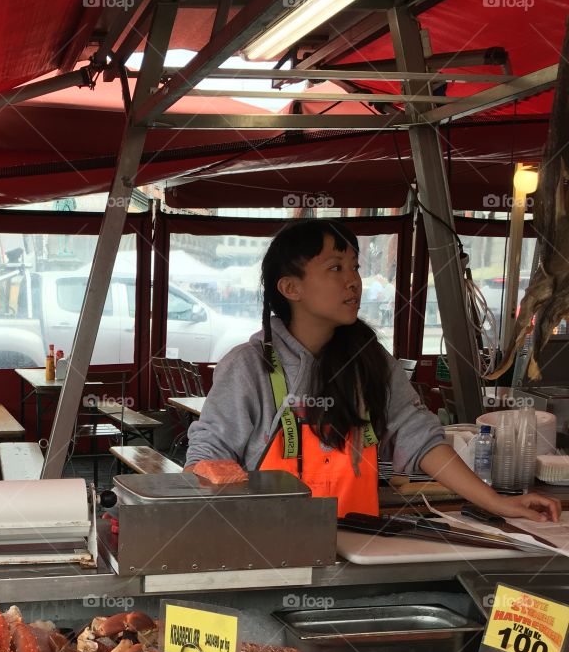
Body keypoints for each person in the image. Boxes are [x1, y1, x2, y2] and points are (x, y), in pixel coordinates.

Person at [185, 220, 559, 523]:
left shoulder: (371, 362)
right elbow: (207, 458)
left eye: (355, 267)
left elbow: (421, 438)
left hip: (358, 550)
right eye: (335, 267)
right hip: (270, 550)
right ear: (290, 288)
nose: (353, 280)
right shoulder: (250, 367)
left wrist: (497, 503)